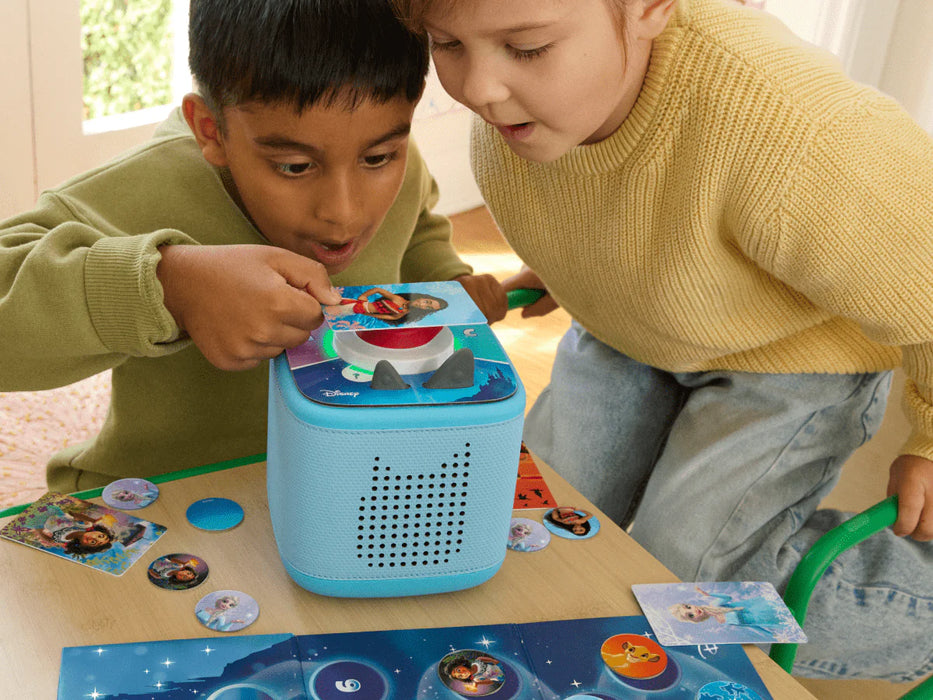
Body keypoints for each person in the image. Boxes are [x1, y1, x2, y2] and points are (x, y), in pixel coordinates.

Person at [392, 0, 933, 681]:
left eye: (526, 48)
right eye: (445, 44)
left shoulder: (793, 131)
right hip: (642, 330)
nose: (476, 90)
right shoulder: (521, 113)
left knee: (684, 600)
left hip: (792, 359)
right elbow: (634, 195)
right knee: (536, 539)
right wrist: (583, 263)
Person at [0, 0, 507, 493]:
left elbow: (415, 223)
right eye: (294, 166)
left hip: (350, 479)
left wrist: (447, 278)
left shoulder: (391, 156)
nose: (344, 212)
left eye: (378, 158)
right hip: (158, 499)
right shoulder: (146, 188)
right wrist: (168, 285)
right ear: (210, 129)